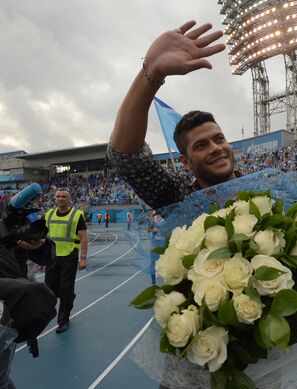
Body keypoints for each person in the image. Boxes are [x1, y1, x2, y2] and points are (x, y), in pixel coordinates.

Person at [106, 21, 229, 210]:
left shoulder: (267, 184)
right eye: (201, 145)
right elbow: (125, 157)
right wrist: (152, 70)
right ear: (185, 162)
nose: (215, 148)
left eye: (219, 139)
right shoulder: (182, 201)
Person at [44, 189, 88, 333]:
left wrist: (83, 258)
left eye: (64, 196)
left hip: (69, 256)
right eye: (58, 196)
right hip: (51, 256)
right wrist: (40, 258)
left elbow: (83, 238)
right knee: (49, 288)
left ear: (69, 199)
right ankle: (68, 296)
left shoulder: (77, 215)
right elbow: (44, 237)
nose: (61, 199)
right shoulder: (49, 214)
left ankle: (63, 321)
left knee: (66, 288)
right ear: (54, 198)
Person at [148, 211, 166, 285]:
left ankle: (166, 279)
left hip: (163, 243)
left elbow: (168, 231)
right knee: (153, 262)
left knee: (164, 262)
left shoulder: (166, 219)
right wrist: (154, 229)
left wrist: (158, 230)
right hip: (154, 242)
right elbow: (149, 229)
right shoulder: (153, 219)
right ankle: (153, 281)